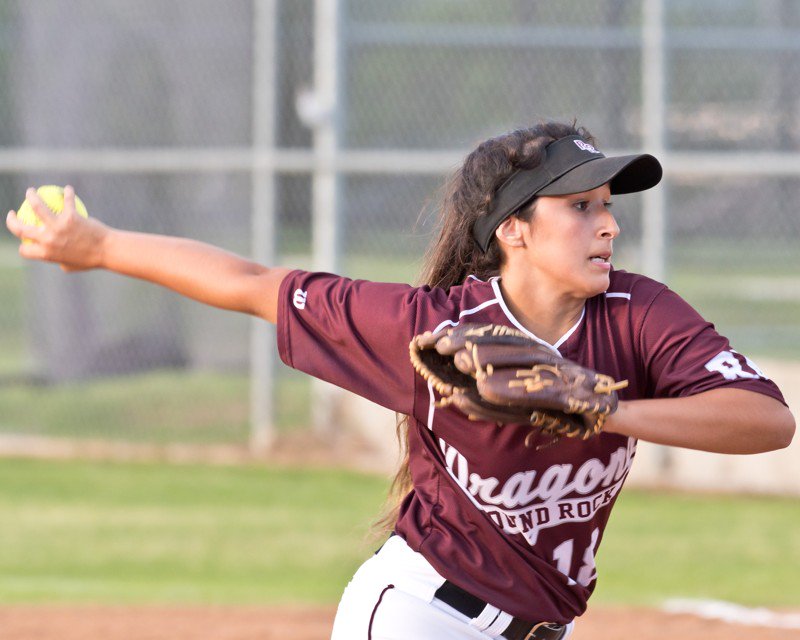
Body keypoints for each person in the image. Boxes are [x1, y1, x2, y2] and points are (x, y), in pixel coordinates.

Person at [6, 121, 795, 640]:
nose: (610, 224)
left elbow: (766, 421)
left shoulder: (637, 312)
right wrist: (100, 247)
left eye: (608, 206)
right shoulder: (435, 332)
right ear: (513, 230)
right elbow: (254, 284)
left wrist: (601, 408)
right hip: (424, 619)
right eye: (582, 206)